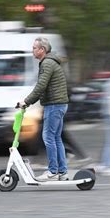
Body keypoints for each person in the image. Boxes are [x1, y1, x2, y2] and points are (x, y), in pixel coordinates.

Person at [20, 37, 70, 181]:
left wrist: (26, 102)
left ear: (42, 50)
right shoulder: (50, 62)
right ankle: (63, 172)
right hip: (59, 104)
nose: (33, 50)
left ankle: (53, 171)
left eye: (35, 48)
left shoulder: (47, 63)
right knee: (56, 138)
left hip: (54, 105)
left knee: (48, 137)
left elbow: (41, 86)